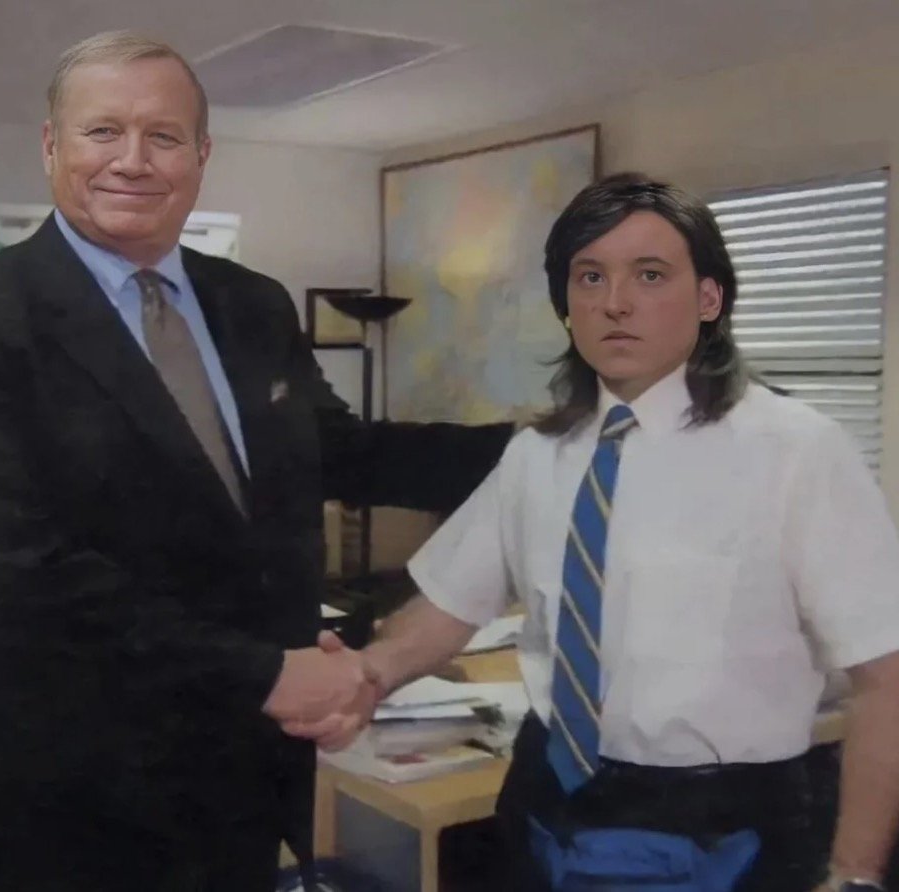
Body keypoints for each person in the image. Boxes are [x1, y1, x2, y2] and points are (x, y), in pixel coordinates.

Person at [0, 31, 513, 892]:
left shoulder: (251, 303)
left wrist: (543, 445)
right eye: (102, 131)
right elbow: (11, 582)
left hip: (239, 779)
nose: (133, 160)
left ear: (201, 155)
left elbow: (340, 452)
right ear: (50, 145)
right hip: (72, 795)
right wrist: (267, 674)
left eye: (163, 136)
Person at [288, 173, 899, 891]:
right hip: (545, 801)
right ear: (567, 306)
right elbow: (452, 604)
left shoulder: (797, 450)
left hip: (723, 828)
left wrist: (855, 876)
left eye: (650, 274)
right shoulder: (537, 453)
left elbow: (886, 677)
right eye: (590, 277)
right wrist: (369, 674)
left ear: (709, 298)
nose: (616, 302)